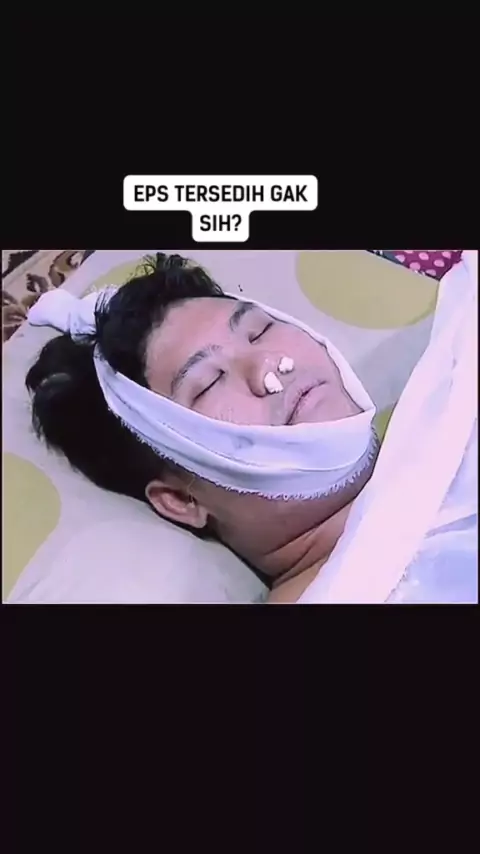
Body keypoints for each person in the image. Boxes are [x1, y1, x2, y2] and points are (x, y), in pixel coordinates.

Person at [26, 251, 477, 604]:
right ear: (182, 500)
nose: (269, 367)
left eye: (259, 331)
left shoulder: (457, 377)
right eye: (209, 382)